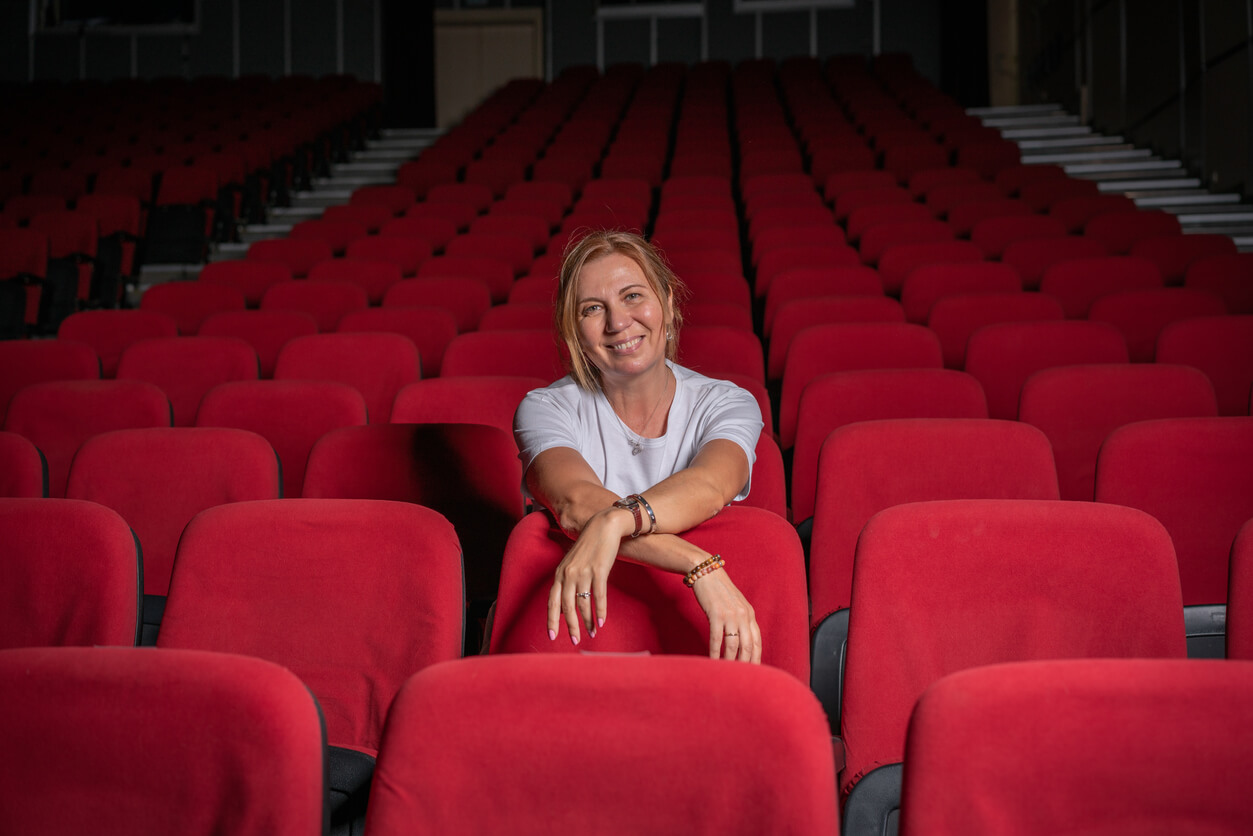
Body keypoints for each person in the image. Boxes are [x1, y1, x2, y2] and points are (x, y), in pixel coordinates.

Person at [513, 230, 764, 663]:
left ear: (667, 302)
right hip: (582, 634)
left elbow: (708, 486)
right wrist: (698, 564)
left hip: (693, 630)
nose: (617, 323)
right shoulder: (545, 407)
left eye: (632, 296)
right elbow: (575, 505)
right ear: (574, 330)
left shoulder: (729, 402)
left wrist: (611, 524)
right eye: (593, 309)